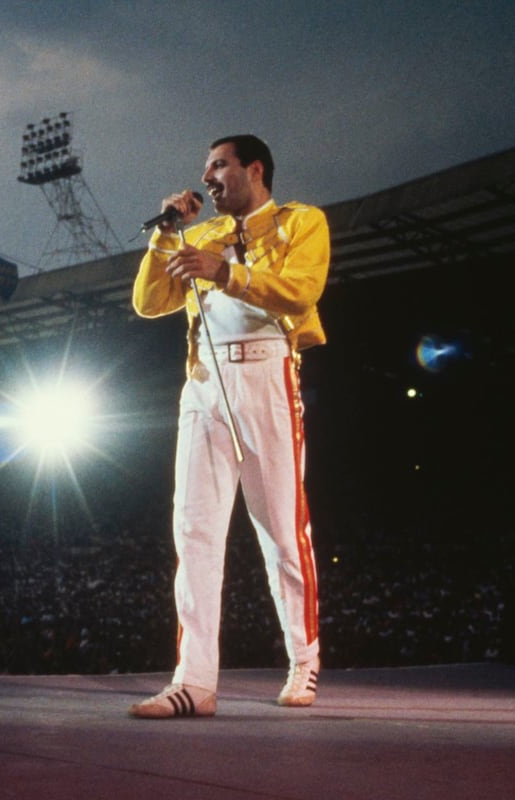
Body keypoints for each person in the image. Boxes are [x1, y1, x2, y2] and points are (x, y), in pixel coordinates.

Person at [128, 134, 330, 718]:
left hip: (267, 375)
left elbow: (302, 291)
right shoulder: (199, 235)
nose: (208, 177)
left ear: (254, 170)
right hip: (204, 383)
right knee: (192, 532)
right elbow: (148, 302)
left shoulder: (300, 221)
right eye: (205, 169)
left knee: (282, 533)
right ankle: (195, 681)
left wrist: (224, 272)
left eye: (218, 165)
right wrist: (165, 234)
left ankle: (304, 659)